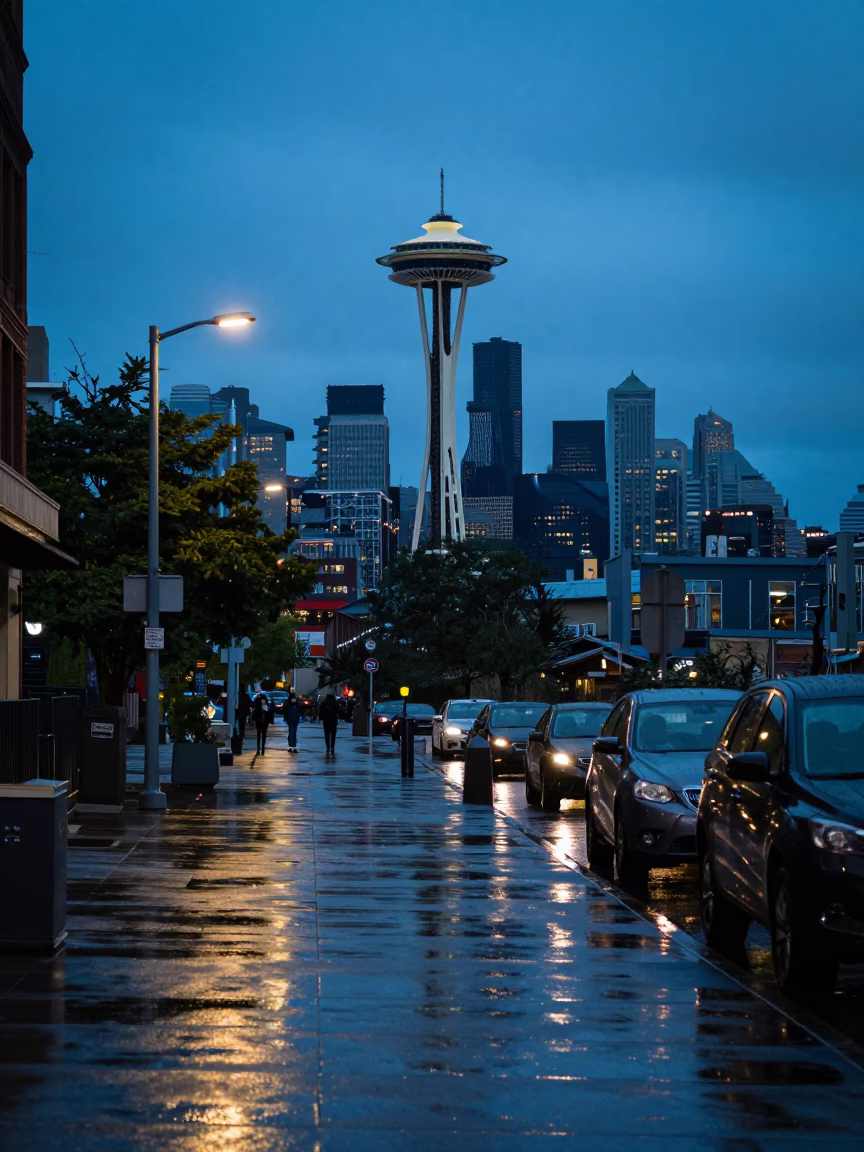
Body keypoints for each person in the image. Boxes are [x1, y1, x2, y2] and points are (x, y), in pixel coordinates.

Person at [252, 690, 273, 755]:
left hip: (263, 722)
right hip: (260, 721)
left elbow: (269, 713)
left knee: (262, 735)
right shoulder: (259, 707)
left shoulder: (266, 707)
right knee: (260, 734)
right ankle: (259, 748)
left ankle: (261, 748)